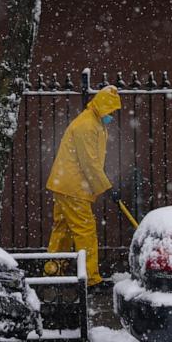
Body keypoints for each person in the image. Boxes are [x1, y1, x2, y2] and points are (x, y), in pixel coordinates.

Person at [45, 85, 121, 288]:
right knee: (85, 230)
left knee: (62, 229)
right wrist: (107, 187)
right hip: (74, 187)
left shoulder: (92, 122)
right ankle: (91, 279)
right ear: (103, 108)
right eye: (111, 112)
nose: (112, 117)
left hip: (65, 184)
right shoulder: (87, 126)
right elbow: (90, 163)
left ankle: (53, 271)